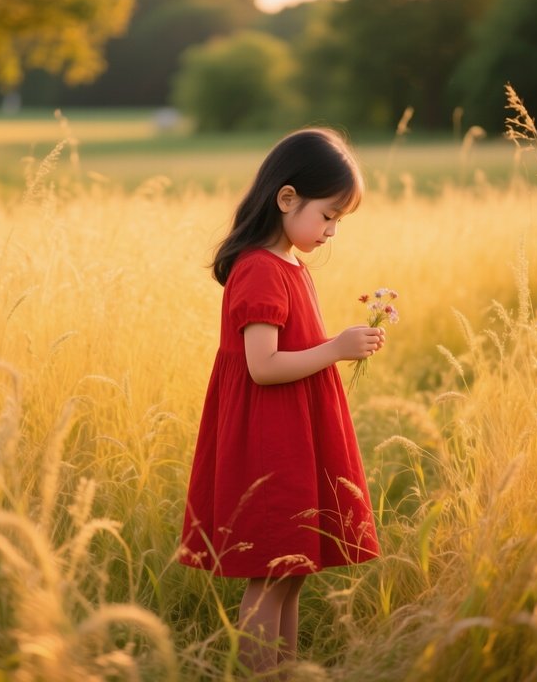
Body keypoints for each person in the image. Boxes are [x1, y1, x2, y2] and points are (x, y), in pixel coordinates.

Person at [178, 127, 384, 676]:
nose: (332, 231)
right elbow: (263, 366)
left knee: (291, 572)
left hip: (295, 437)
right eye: (328, 215)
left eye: (339, 220)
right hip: (268, 443)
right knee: (270, 576)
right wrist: (336, 348)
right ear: (287, 198)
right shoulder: (259, 270)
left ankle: (282, 673)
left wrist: (343, 346)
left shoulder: (290, 264)